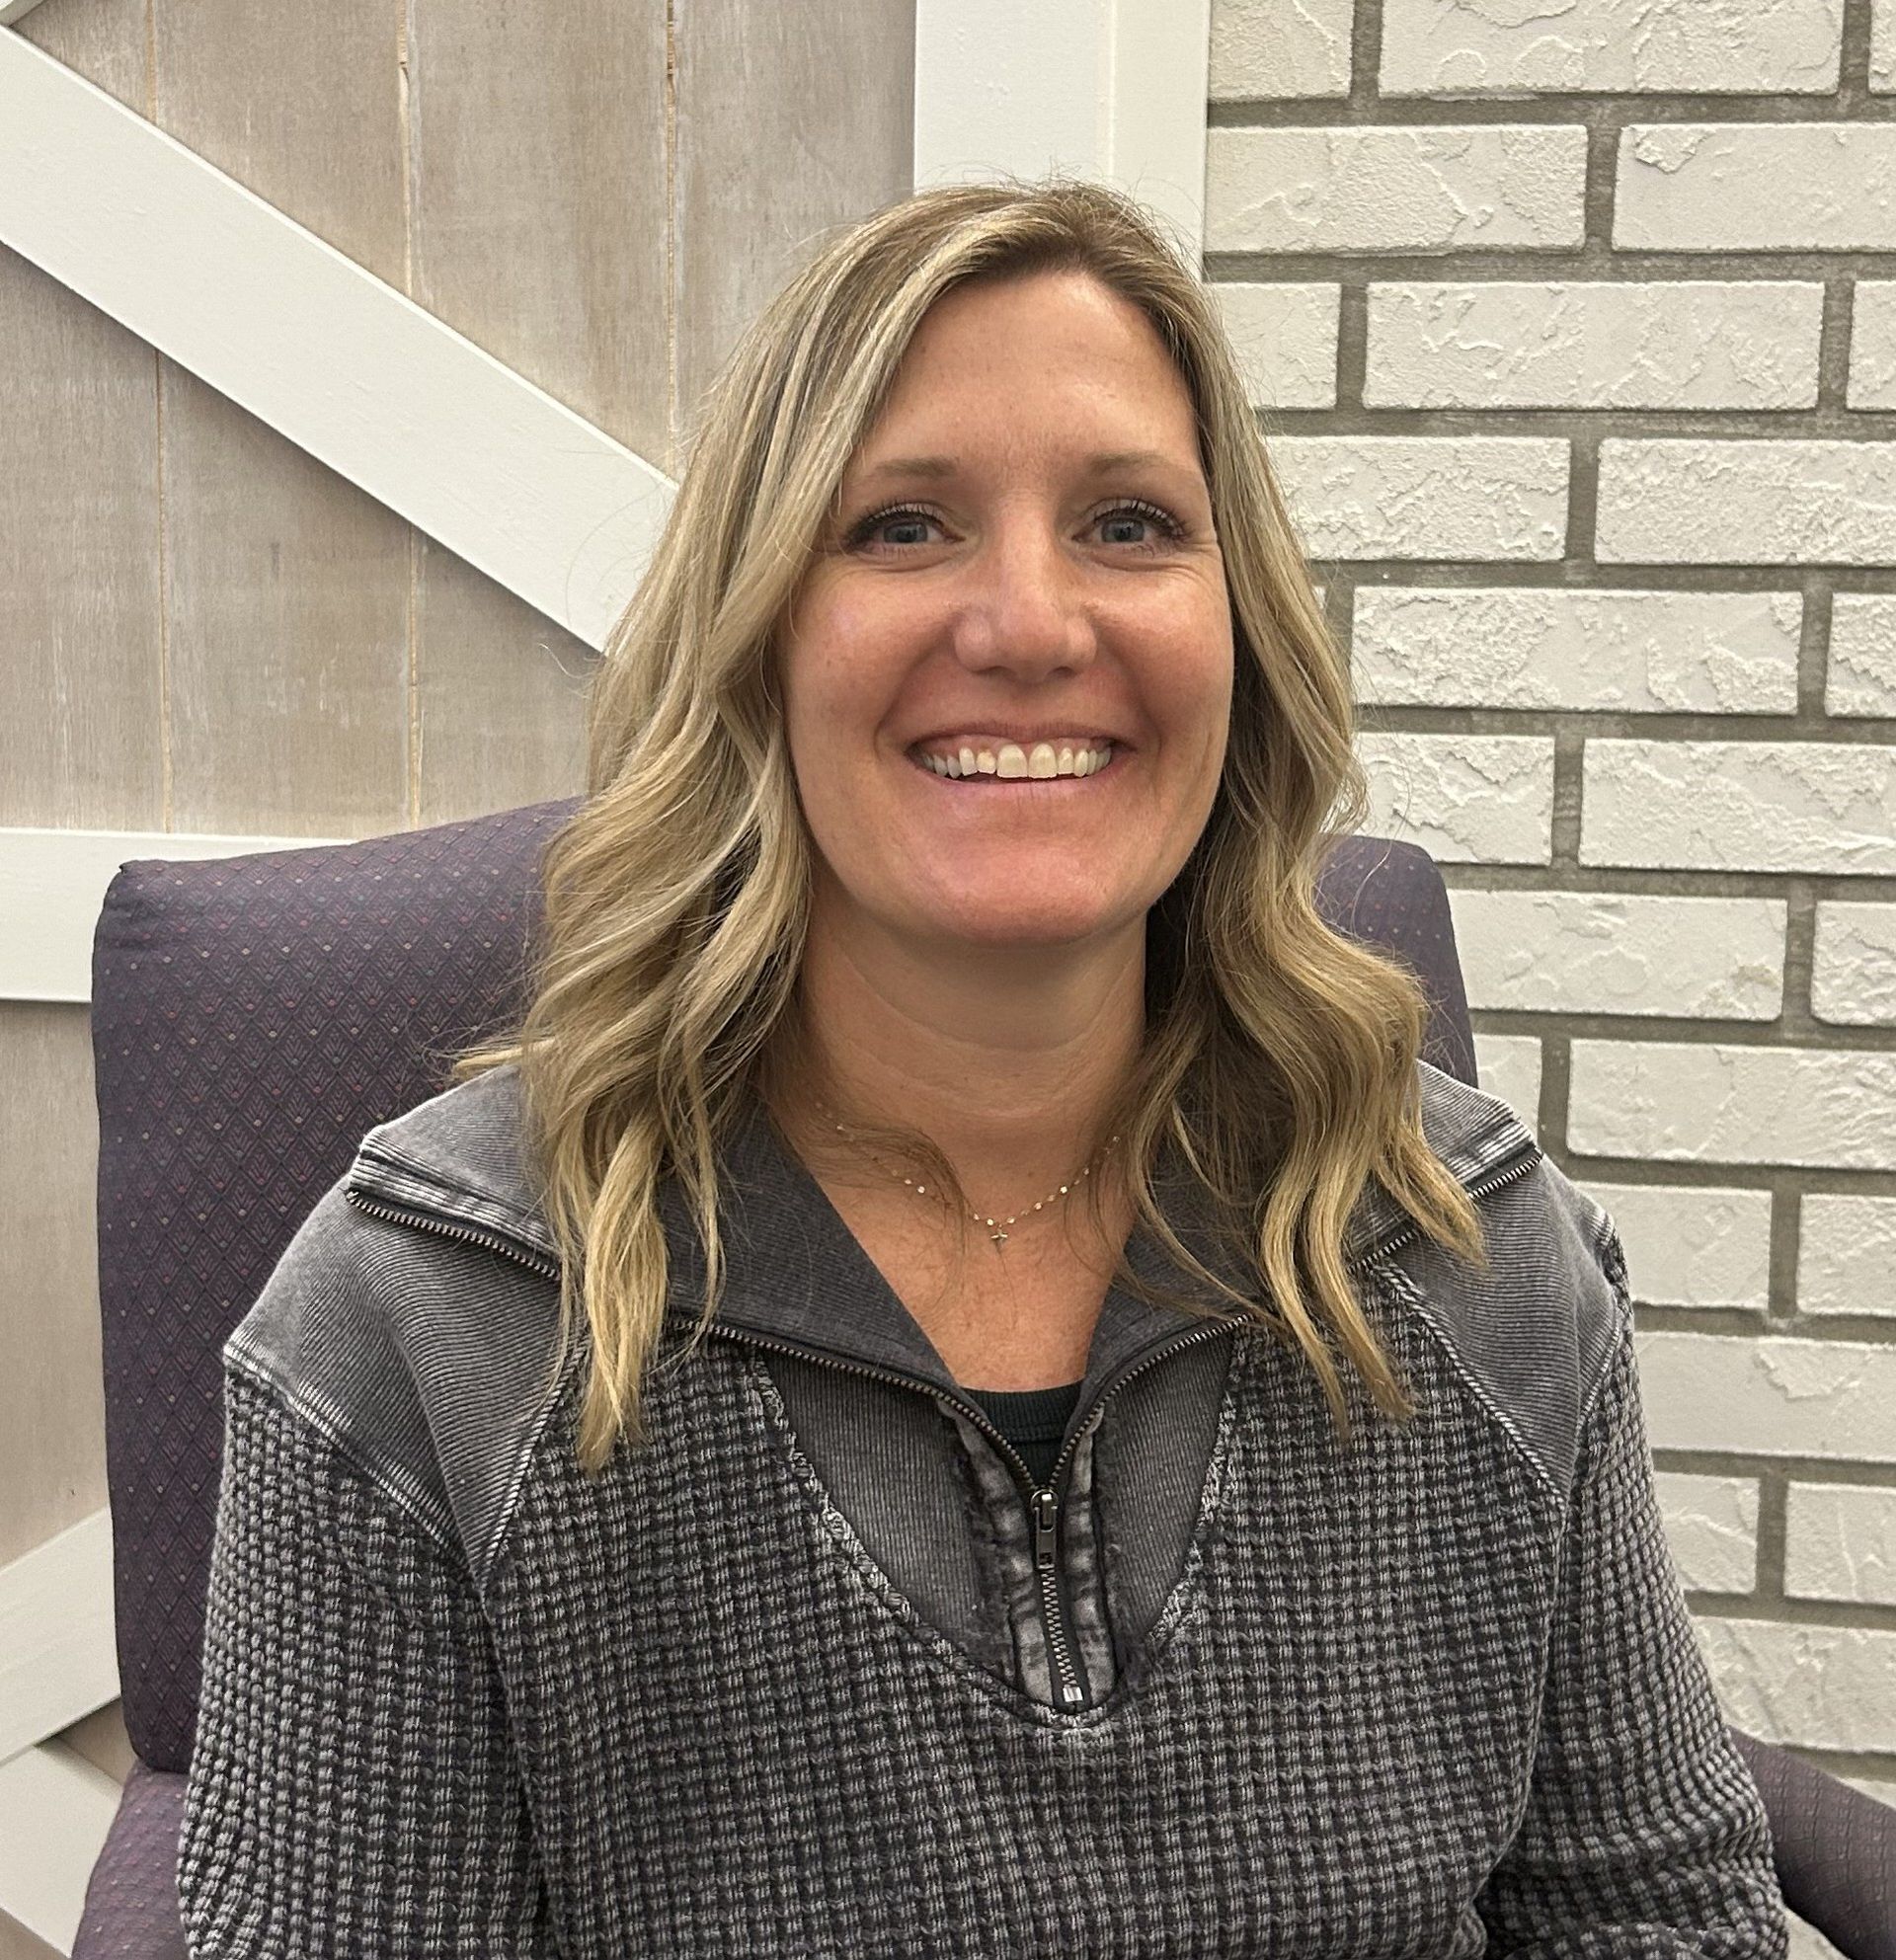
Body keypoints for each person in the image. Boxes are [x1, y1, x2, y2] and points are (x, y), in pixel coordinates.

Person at [177, 178, 1789, 1955]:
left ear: (1240, 638)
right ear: (759, 635)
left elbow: (1656, 1916)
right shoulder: (421, 1329)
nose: (1029, 621)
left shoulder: (1480, 1256)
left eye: (1125, 522)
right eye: (902, 528)